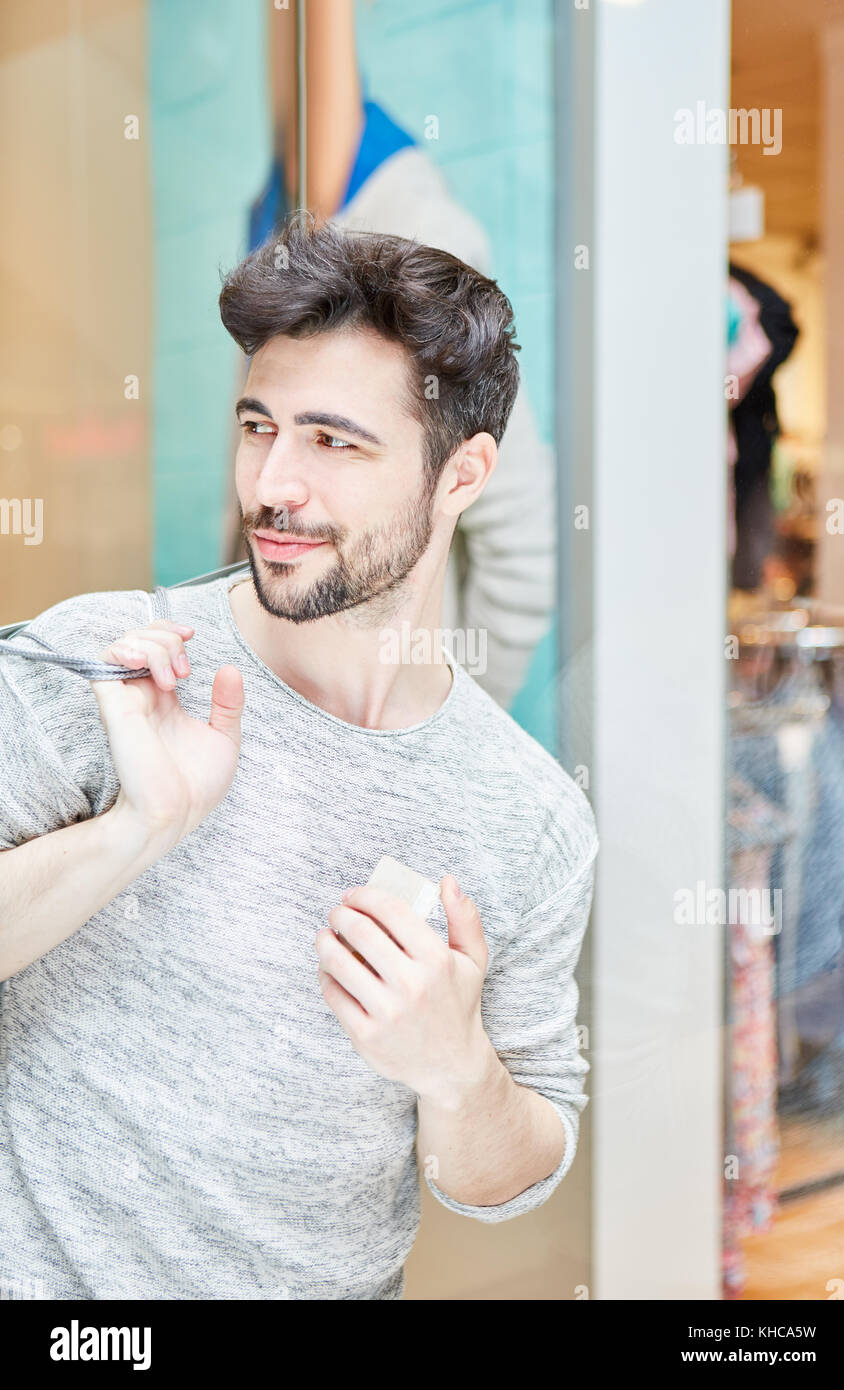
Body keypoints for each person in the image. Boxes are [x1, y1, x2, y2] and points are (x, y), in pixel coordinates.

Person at [0, 213, 597, 1301]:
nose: (273, 484)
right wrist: (136, 831)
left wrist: (453, 1070)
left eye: (334, 441)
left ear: (461, 475)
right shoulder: (108, 665)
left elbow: (513, 1170)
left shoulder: (531, 815)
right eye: (257, 425)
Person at [228, 0, 556, 711]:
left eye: (333, 439)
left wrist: (443, 729)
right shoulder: (293, 201)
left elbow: (521, 543)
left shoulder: (417, 241)